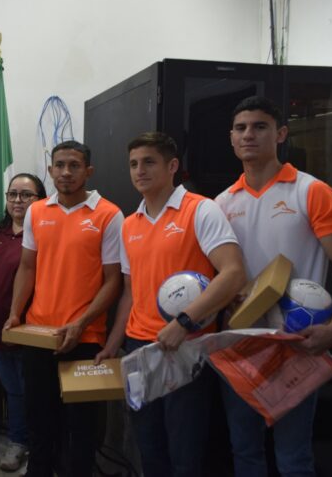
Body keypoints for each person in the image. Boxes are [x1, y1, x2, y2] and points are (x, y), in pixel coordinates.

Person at [216, 95, 332, 477]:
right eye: (240, 128)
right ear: (231, 138)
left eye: (260, 126)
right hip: (240, 344)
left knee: (293, 458)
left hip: (296, 344)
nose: (249, 135)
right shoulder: (221, 203)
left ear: (281, 133)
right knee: (244, 452)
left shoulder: (311, 191)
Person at [96, 132, 245, 477]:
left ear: (172, 165)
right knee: (149, 449)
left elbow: (234, 273)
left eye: (149, 162)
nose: (140, 171)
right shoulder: (129, 224)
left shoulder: (200, 209)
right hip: (140, 349)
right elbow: (131, 291)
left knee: (185, 453)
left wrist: (184, 322)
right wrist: (114, 343)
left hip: (186, 346)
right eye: (133, 164)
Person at [4, 141, 123, 477]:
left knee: (81, 429)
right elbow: (27, 267)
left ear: (88, 171)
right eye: (59, 165)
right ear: (50, 169)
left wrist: (81, 322)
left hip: (85, 338)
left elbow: (113, 281)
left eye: (74, 165)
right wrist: (15, 312)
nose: (66, 172)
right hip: (39, 334)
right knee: (40, 423)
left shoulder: (109, 214)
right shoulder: (37, 211)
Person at [0, 173, 46, 472]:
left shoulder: (43, 235)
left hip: (27, 330)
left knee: (31, 392)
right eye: (12, 194)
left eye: (26, 195)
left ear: (40, 200)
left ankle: (33, 446)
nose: (18, 200)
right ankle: (19, 440)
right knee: (13, 390)